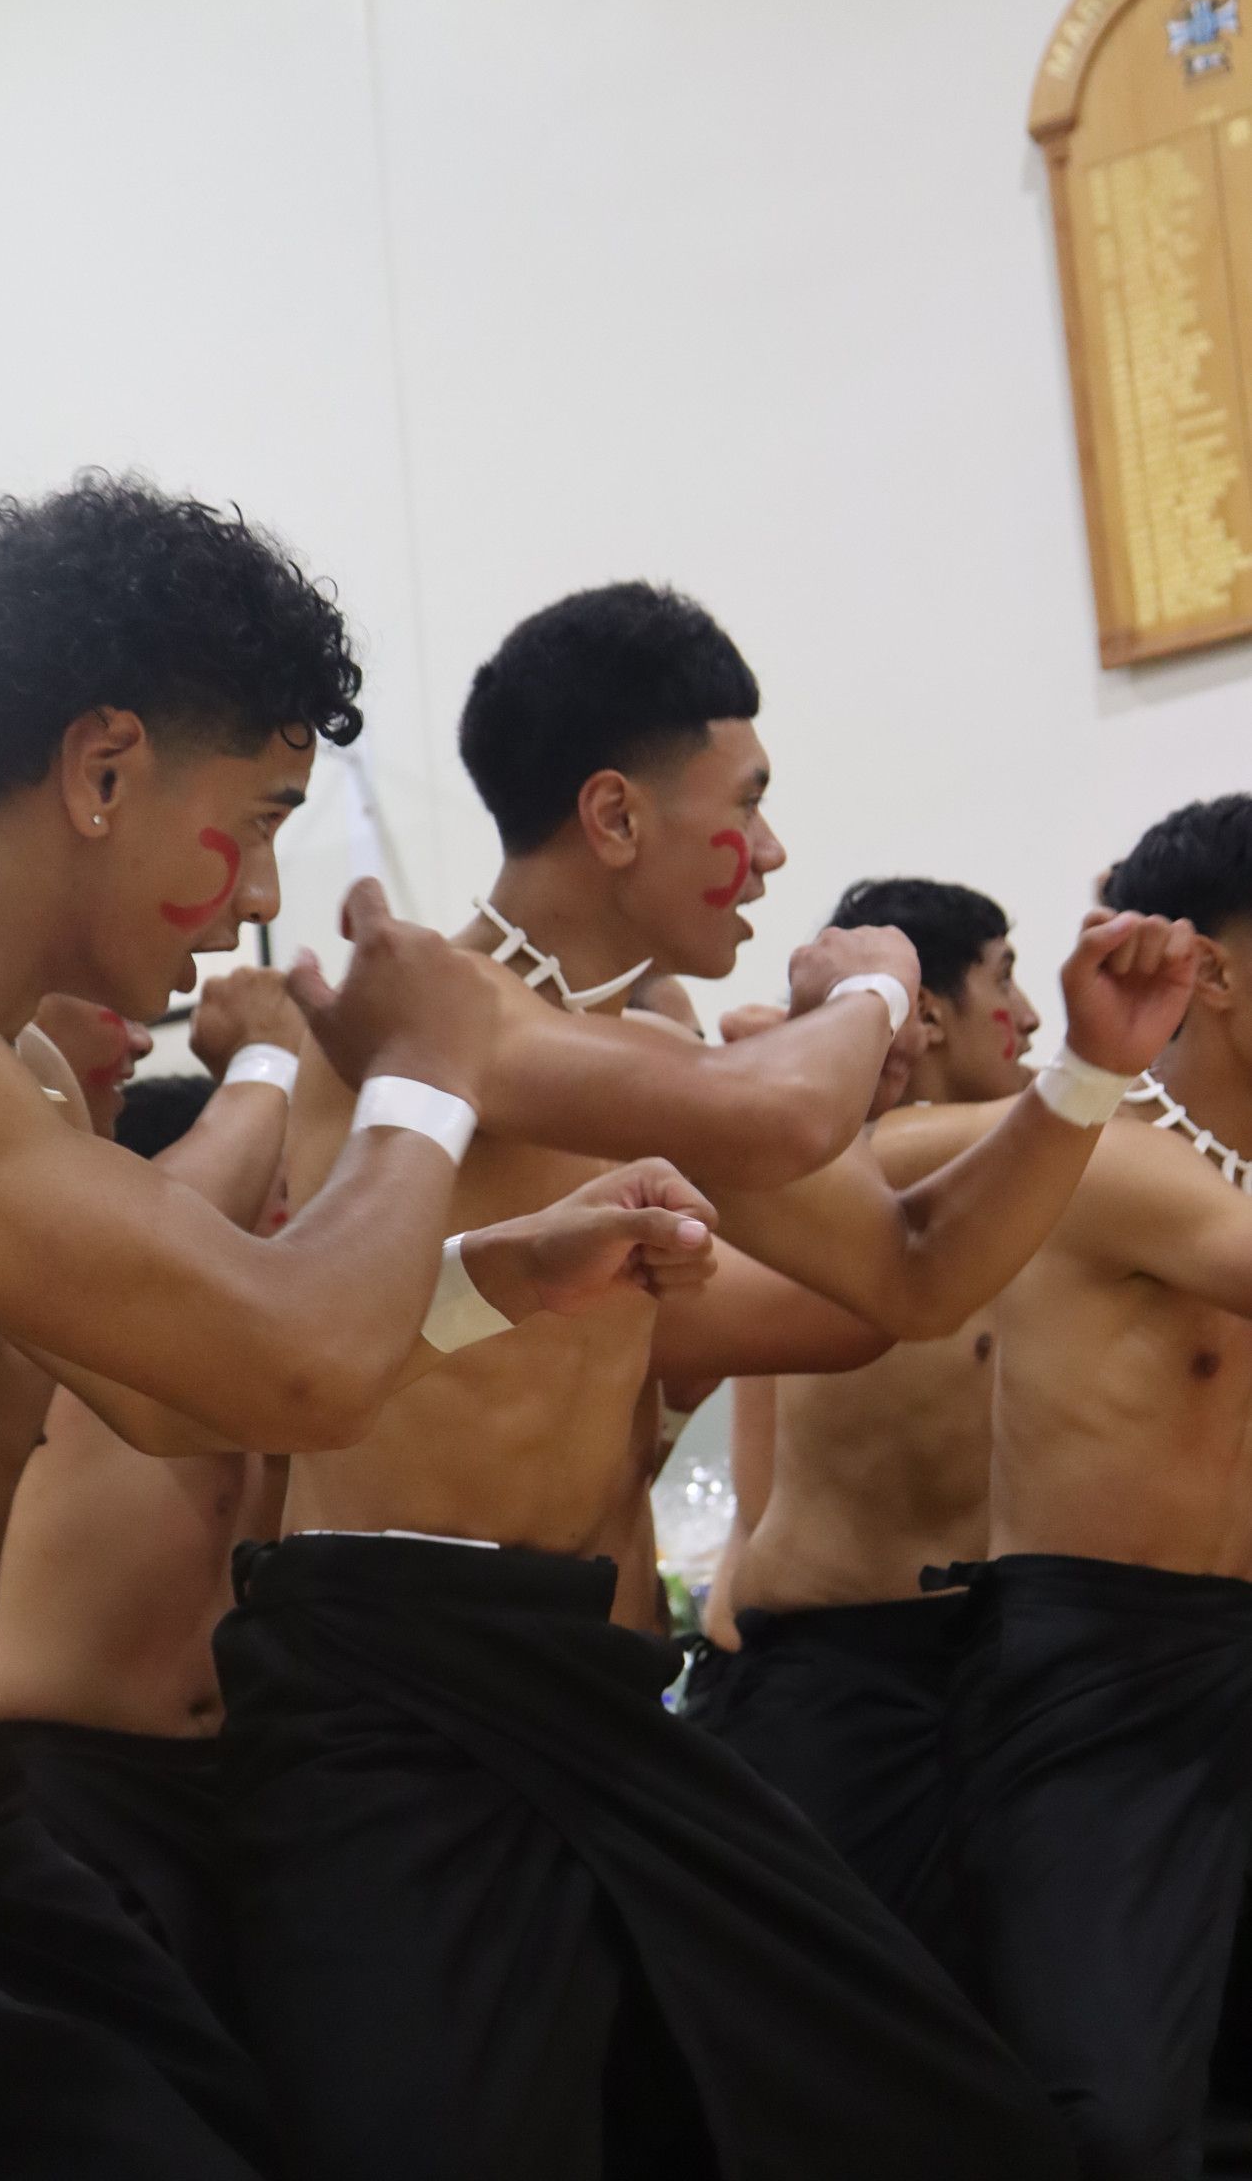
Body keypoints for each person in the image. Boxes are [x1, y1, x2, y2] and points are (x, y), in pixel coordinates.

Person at [0, 483, 716, 2177]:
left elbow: (175, 1395)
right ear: (103, 771)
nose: (265, 894)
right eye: (260, 817)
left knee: (205, 2124)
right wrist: (429, 1069)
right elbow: (296, 1357)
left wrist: (496, 1278)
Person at [238, 583, 1193, 2178]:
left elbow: (900, 1277)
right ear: (614, 816)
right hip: (399, 1694)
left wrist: (1087, 1075)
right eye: (742, 804)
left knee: (916, 2116)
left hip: (606, 1695)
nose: (766, 850)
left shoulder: (638, 1050)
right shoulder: (444, 1014)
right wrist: (873, 986)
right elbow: (779, 1120)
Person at [868, 796, 1252, 2181]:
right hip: (1100, 1672)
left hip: (1230, 1655)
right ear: (1213, 972)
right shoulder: (1100, 1154)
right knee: (1108, 2117)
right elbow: (858, 1160)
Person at [683, 877, 1040, 1930]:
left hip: (979, 1655)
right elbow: (756, 1473)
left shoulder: (1010, 1175)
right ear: (926, 1012)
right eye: (1005, 980)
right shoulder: (829, 1174)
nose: (1029, 1017)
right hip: (832, 1671)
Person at [0, 988, 296, 2028]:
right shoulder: (72, 1327)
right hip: (62, 1778)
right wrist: (268, 1058)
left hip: (224, 1789)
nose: (287, 1217)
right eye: (268, 1190)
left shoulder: (282, 1369)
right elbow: (169, 1230)